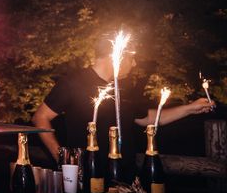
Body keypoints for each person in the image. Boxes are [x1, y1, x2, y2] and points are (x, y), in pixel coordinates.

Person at [31, 36, 214, 176]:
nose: (134, 63)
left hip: (125, 176)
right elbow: (41, 117)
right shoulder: (72, 83)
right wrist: (62, 158)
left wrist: (190, 108)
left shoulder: (123, 87)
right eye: (131, 58)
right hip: (88, 173)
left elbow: (147, 119)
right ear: (114, 56)